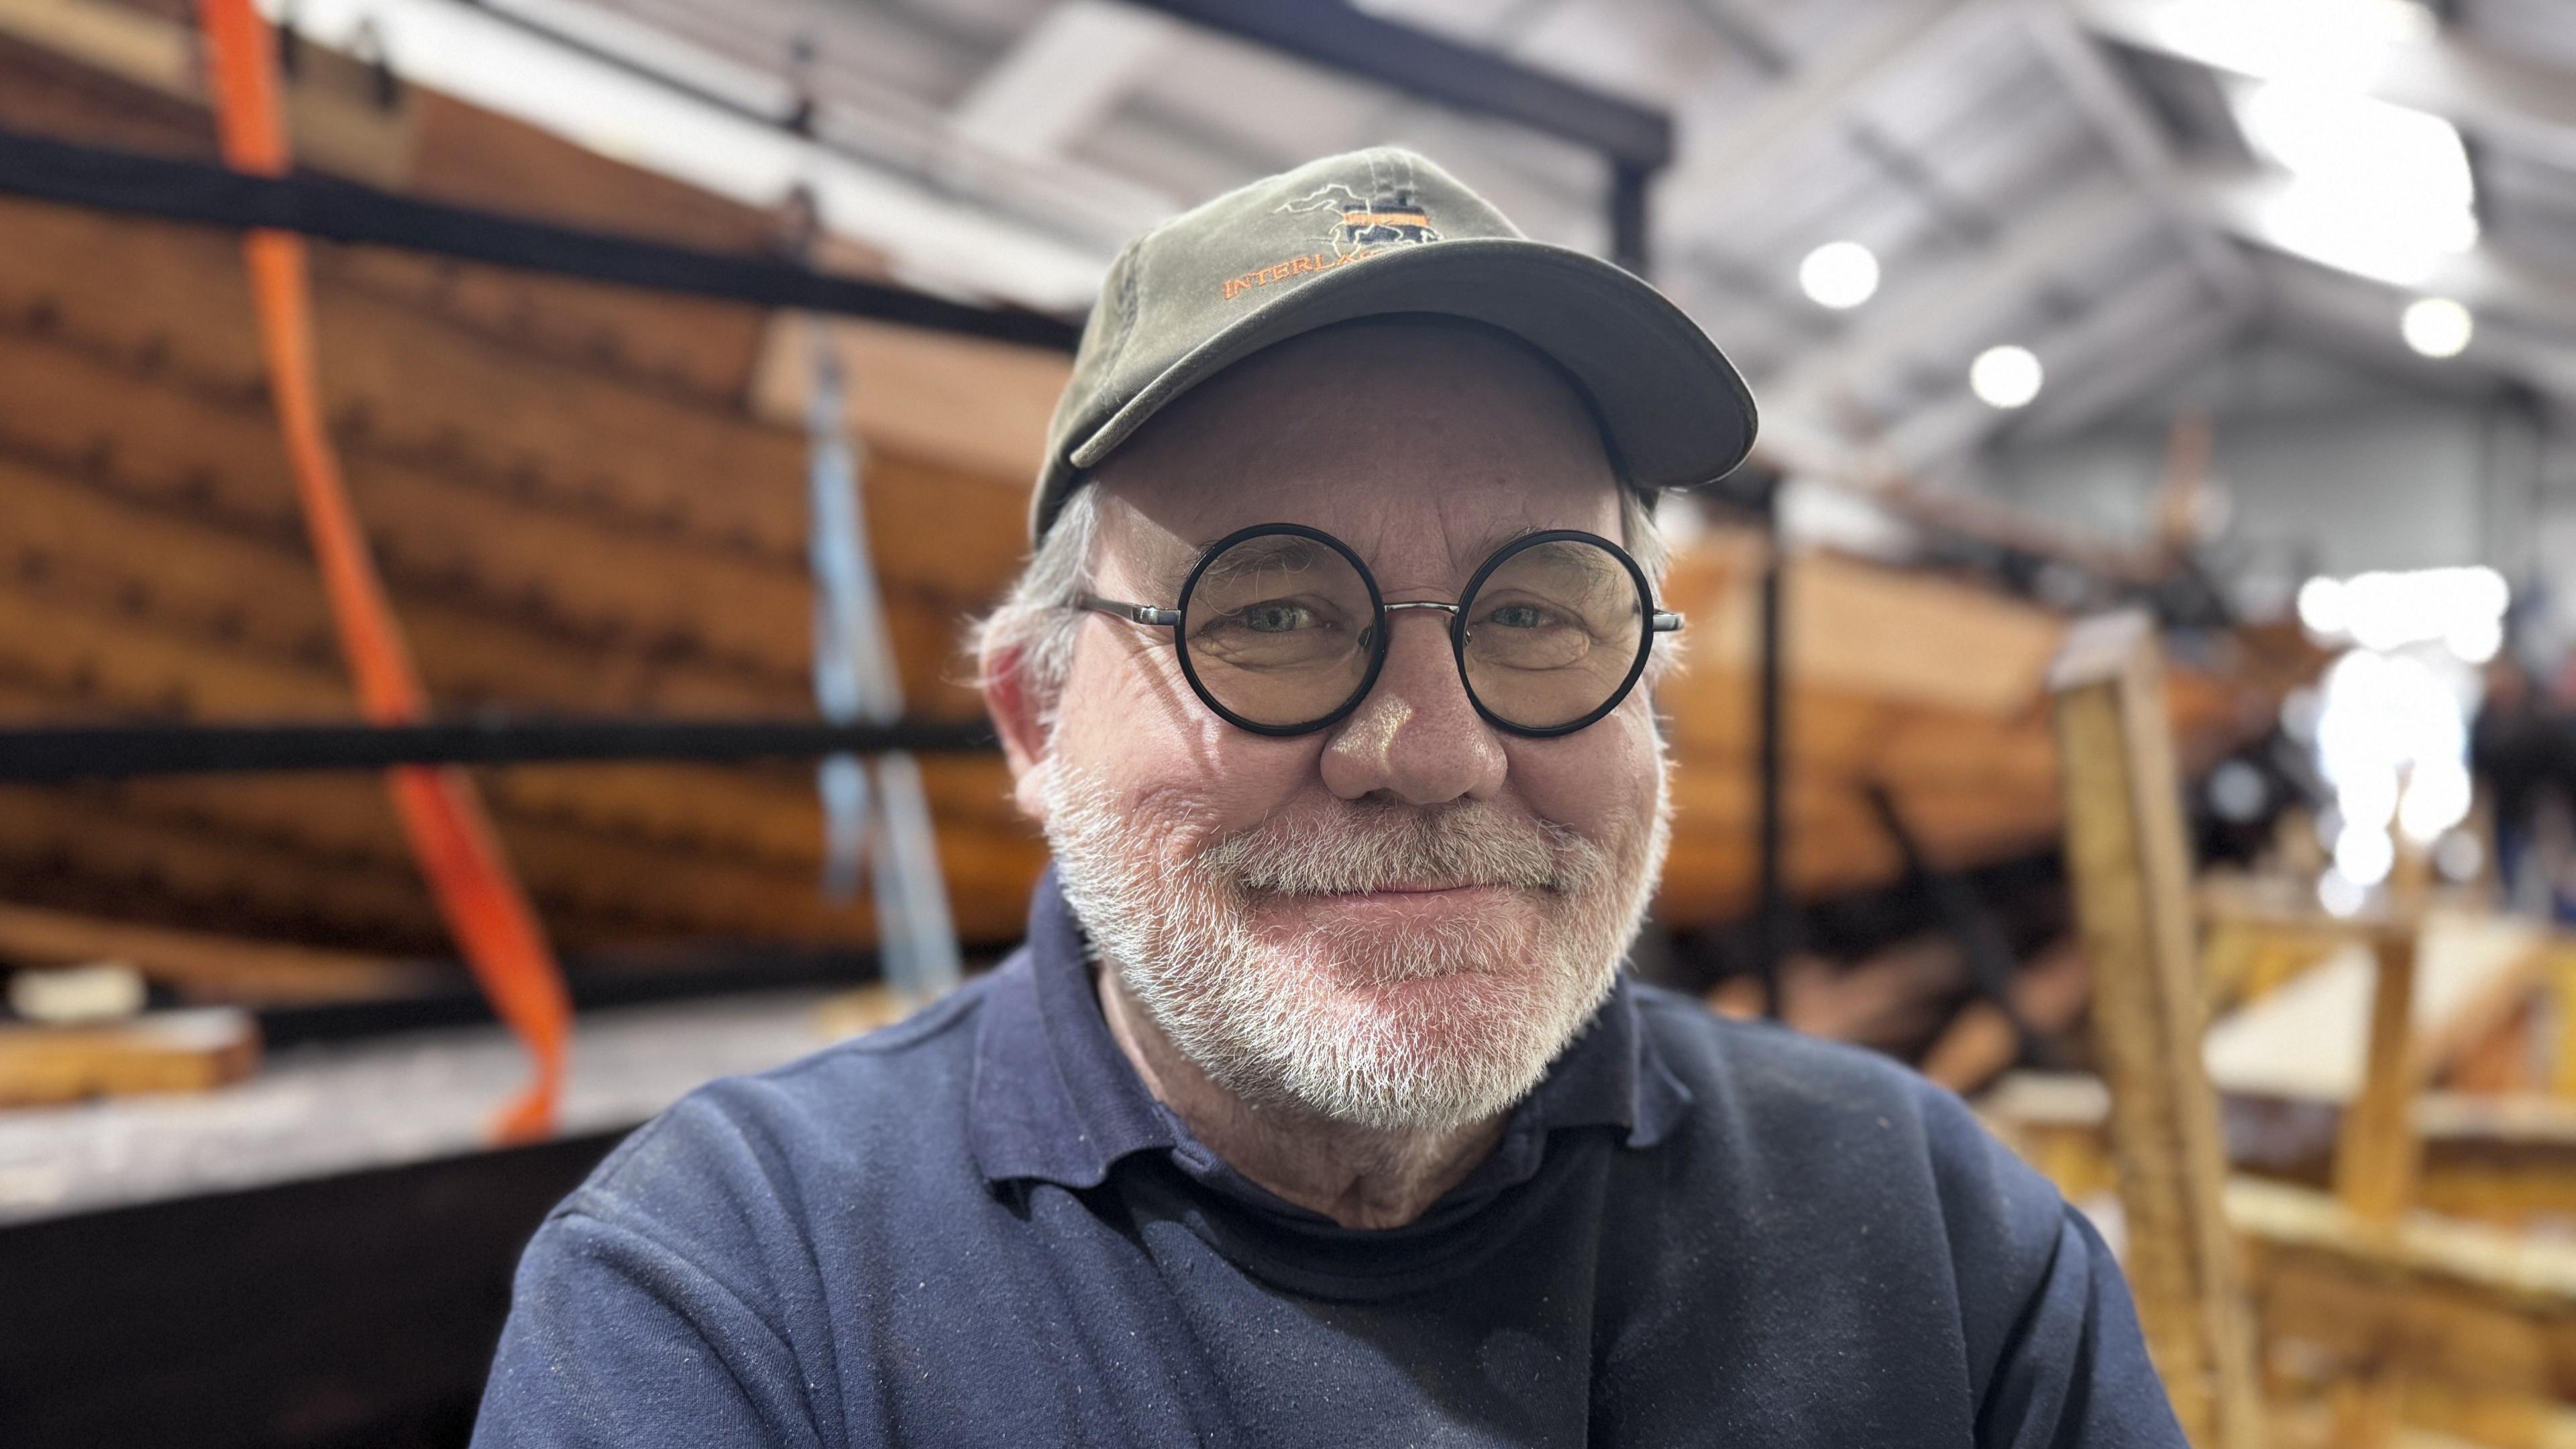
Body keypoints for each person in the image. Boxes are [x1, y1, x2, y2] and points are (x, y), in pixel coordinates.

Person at [474, 148, 2184, 1446]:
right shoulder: (733, 1305)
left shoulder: (1938, 1242)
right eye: (1272, 616)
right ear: (1033, 714)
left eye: (1534, 612)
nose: (1433, 750)